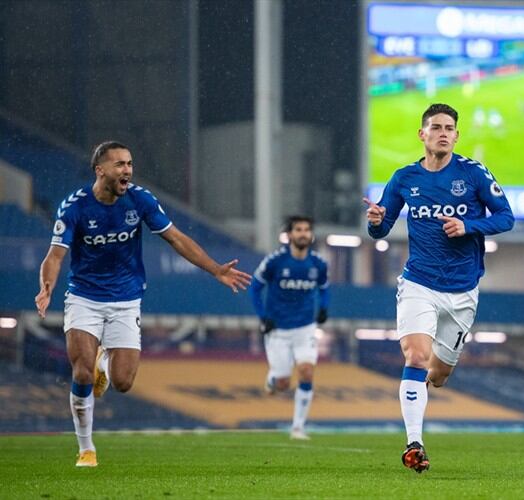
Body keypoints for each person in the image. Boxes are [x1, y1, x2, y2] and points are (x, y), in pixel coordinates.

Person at [35, 141, 252, 467]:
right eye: (120, 164)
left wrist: (216, 269)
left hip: (126, 299)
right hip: (84, 298)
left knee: (123, 382)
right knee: (81, 373)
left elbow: (177, 238)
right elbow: (55, 256)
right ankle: (86, 448)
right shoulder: (74, 207)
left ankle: (104, 363)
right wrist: (47, 286)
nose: (127, 171)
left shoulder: (140, 199)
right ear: (101, 170)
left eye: (130, 164)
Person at [363, 103, 514, 473]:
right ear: (422, 134)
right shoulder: (404, 178)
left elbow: (506, 217)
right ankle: (414, 443)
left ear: (457, 136)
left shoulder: (474, 175)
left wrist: (469, 226)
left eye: (449, 128)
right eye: (436, 127)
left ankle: (420, 393)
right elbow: (381, 229)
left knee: (439, 375)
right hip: (419, 282)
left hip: (462, 291)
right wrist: (376, 222)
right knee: (415, 355)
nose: (443, 132)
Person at [248, 215, 329, 440]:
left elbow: (324, 288)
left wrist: (324, 308)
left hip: (305, 328)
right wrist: (263, 317)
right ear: (290, 235)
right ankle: (274, 380)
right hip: (278, 330)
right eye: (298, 229)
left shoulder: (318, 264)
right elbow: (255, 288)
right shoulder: (275, 261)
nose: (303, 233)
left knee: (306, 371)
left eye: (306, 229)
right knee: (283, 383)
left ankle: (298, 428)